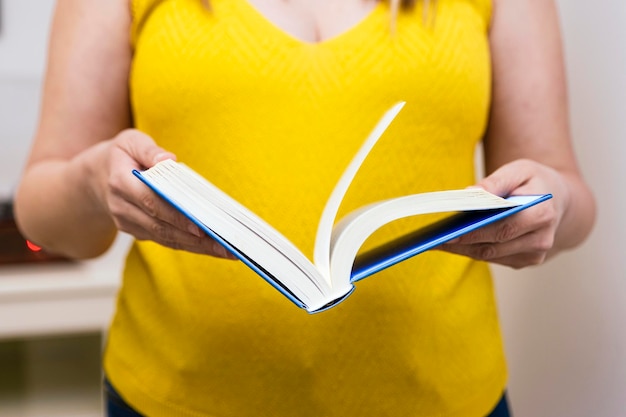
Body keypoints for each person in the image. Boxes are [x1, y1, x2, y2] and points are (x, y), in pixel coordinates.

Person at [13, 0, 596, 416]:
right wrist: (93, 182)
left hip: (446, 399)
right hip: (172, 398)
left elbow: (568, 194)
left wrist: (556, 202)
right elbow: (42, 218)